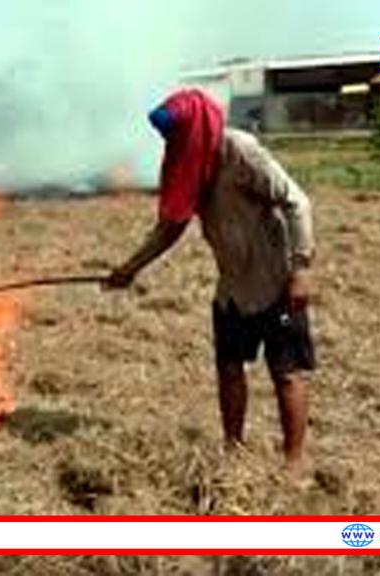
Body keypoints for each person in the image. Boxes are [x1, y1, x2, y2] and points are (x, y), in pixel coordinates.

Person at [104, 89, 316, 475]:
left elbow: (297, 202)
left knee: (286, 372)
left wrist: (300, 269)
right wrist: (130, 268)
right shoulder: (189, 163)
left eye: (177, 136)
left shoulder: (240, 151)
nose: (173, 145)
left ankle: (294, 463)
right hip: (233, 284)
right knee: (230, 368)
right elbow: (171, 226)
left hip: (276, 278)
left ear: (195, 126)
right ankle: (233, 450)